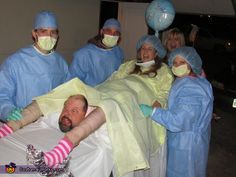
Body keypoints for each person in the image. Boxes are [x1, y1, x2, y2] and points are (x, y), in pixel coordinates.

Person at [0, 35, 173, 177]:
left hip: (134, 95)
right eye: (143, 48)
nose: (145, 52)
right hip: (111, 89)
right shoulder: (129, 65)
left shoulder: (163, 69)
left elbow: (164, 93)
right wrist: (95, 91)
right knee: (70, 87)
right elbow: (112, 79)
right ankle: (12, 126)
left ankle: (66, 144)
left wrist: (154, 109)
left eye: (149, 49)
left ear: (157, 52)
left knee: (110, 105)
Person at [139, 47, 214, 177]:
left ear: (191, 64)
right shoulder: (195, 80)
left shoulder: (191, 87)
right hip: (193, 142)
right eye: (175, 63)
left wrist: (153, 112)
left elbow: (179, 120)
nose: (177, 66)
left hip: (186, 147)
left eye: (182, 63)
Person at [0, 10, 69, 122]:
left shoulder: (61, 64)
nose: (49, 36)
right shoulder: (15, 62)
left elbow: (68, 92)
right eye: (43, 31)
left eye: (53, 32)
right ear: (34, 33)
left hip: (51, 123)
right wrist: (7, 110)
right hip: (22, 122)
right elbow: (1, 94)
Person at [69, 18, 124, 87]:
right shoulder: (84, 54)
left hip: (110, 92)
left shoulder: (118, 52)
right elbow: (73, 82)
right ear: (101, 32)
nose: (112, 35)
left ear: (119, 36)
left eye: (116, 33)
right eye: (108, 31)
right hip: (90, 94)